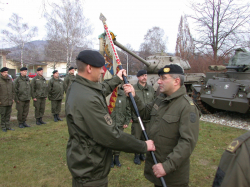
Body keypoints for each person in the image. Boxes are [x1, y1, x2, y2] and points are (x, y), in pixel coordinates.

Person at [66, 50, 155, 187]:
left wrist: (117, 78)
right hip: (90, 168)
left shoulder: (81, 86)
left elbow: (101, 89)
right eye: (100, 68)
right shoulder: (87, 99)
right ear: (89, 68)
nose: (102, 71)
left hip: (87, 160)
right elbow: (112, 136)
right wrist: (143, 145)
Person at [123, 64, 200, 187]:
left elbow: (187, 142)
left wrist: (167, 166)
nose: (158, 81)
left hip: (173, 175)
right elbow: (144, 113)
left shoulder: (187, 107)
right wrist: (134, 95)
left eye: (163, 78)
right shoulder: (160, 99)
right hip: (157, 165)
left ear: (176, 81)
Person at [131, 69, 155, 165]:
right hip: (137, 118)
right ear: (138, 77)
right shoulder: (133, 88)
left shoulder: (151, 89)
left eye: (145, 75)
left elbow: (154, 102)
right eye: (142, 75)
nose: (144, 77)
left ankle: (142, 153)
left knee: (146, 137)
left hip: (148, 118)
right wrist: (131, 116)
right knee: (137, 137)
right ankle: (136, 155)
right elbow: (129, 103)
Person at [110, 85, 131, 168]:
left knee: (119, 140)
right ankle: (110, 158)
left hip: (120, 122)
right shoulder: (110, 96)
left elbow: (128, 109)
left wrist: (127, 121)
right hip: (110, 122)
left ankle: (117, 158)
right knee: (111, 140)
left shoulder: (124, 96)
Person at [0, 67, 15, 132]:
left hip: (9, 100)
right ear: (1, 73)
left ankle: (8, 126)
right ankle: (3, 126)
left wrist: (13, 98)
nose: (6, 73)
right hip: (2, 101)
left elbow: (13, 90)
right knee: (3, 114)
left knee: (8, 114)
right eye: (5, 72)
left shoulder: (9, 80)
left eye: (7, 72)